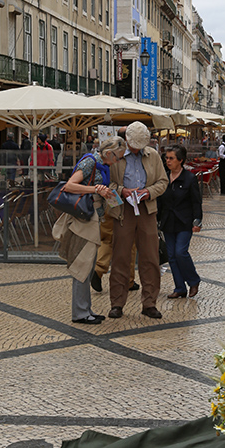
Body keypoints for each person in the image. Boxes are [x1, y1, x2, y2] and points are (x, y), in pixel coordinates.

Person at [52, 136, 126, 325]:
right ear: (109, 153)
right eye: (117, 157)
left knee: (89, 264)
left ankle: (86, 309)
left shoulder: (102, 165)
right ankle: (80, 313)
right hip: (84, 219)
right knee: (82, 265)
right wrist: (96, 189)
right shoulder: (89, 162)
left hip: (94, 218)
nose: (118, 160)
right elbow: (69, 185)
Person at [107, 122, 169, 319]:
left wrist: (148, 192)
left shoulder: (153, 156)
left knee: (150, 258)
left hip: (147, 210)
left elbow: (163, 181)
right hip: (122, 210)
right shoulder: (114, 155)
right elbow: (105, 182)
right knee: (120, 258)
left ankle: (149, 303)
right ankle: (117, 303)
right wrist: (121, 191)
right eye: (133, 145)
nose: (136, 149)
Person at [158, 145, 202, 299]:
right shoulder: (163, 177)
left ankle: (193, 281)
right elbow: (159, 201)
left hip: (184, 221)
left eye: (171, 158)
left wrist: (197, 221)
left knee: (180, 252)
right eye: (167, 158)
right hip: (168, 221)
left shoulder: (190, 178)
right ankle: (179, 288)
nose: (168, 161)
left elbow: (196, 202)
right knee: (171, 255)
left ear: (180, 160)